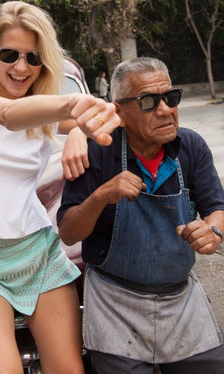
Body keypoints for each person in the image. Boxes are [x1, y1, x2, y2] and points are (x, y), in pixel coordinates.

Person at [0, 0, 120, 374]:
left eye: (33, 58)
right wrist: (71, 108)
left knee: (68, 370)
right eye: (10, 54)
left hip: (38, 253)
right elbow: (7, 116)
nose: (21, 67)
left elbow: (110, 124)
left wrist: (78, 133)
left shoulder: (42, 110)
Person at [57, 56, 224, 374]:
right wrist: (102, 196)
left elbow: (217, 209)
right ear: (118, 111)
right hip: (115, 304)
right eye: (148, 101)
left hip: (180, 301)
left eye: (170, 97)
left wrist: (212, 231)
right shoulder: (97, 152)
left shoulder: (191, 147)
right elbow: (68, 232)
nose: (164, 110)